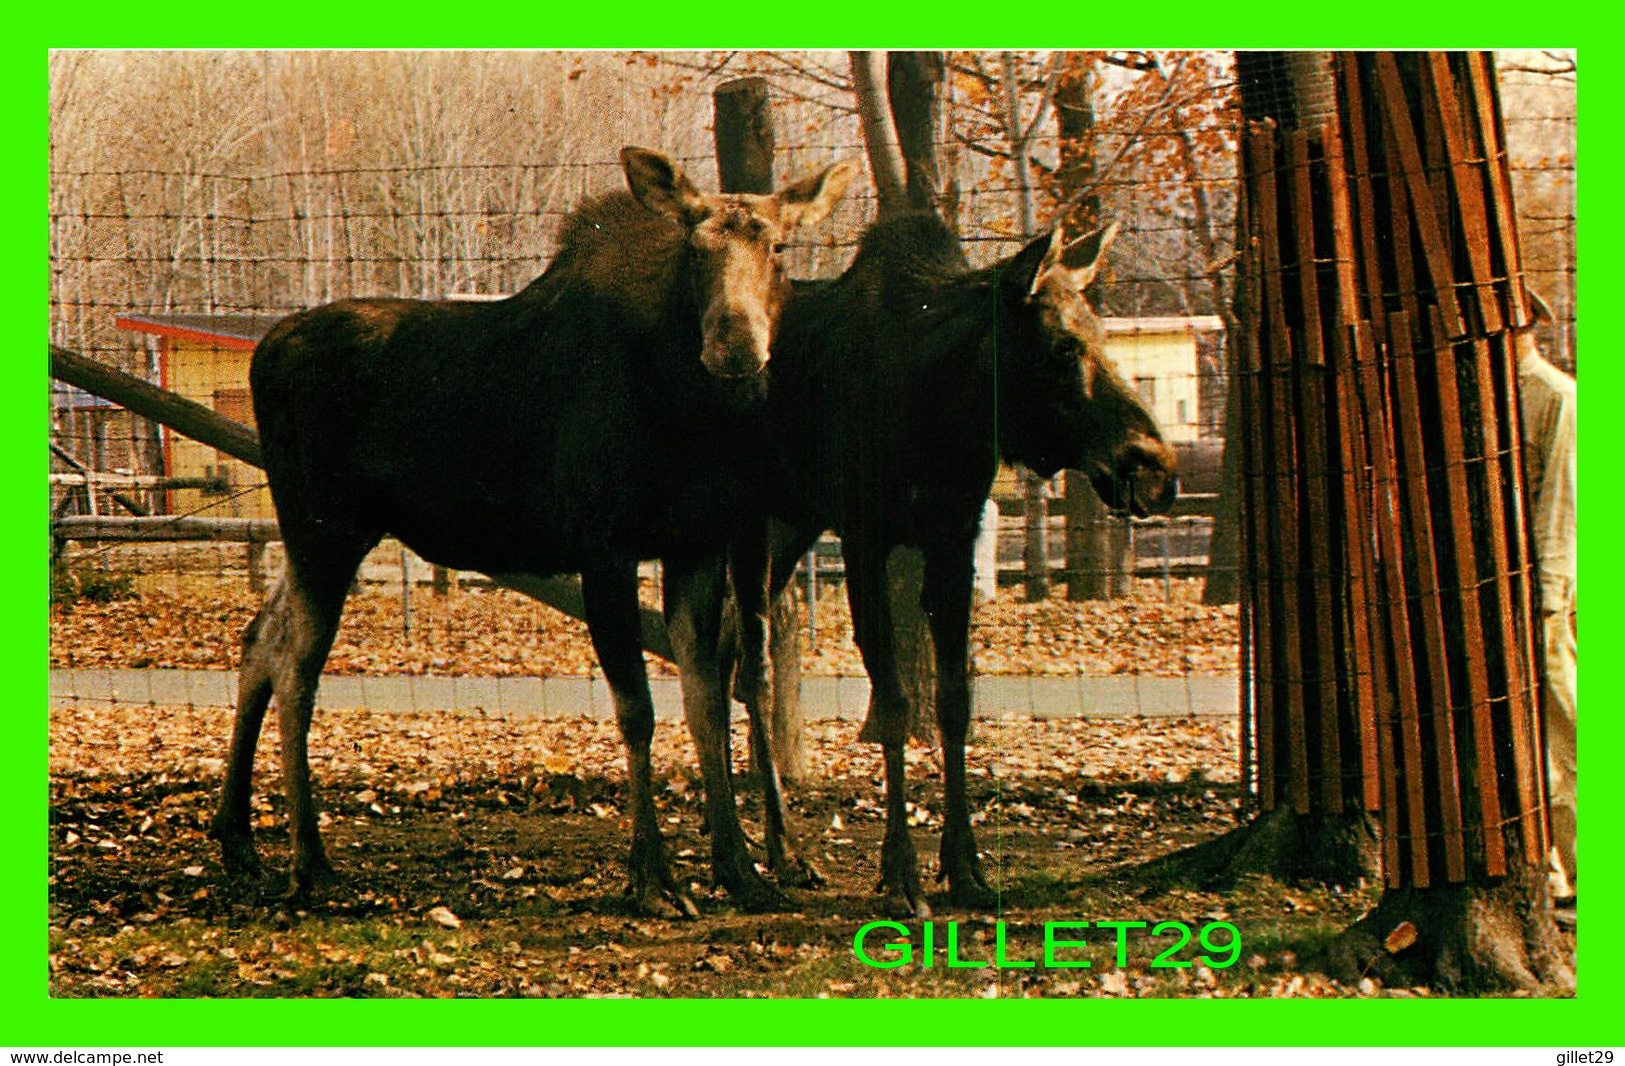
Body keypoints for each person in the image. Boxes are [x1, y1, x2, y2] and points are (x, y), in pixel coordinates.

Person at [1515, 290, 1577, 928]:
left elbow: (1561, 510)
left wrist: (1549, 600)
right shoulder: (1491, 394)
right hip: (1505, 595)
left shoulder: (1557, 398)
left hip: (1545, 597)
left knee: (1565, 730)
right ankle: (1553, 877)